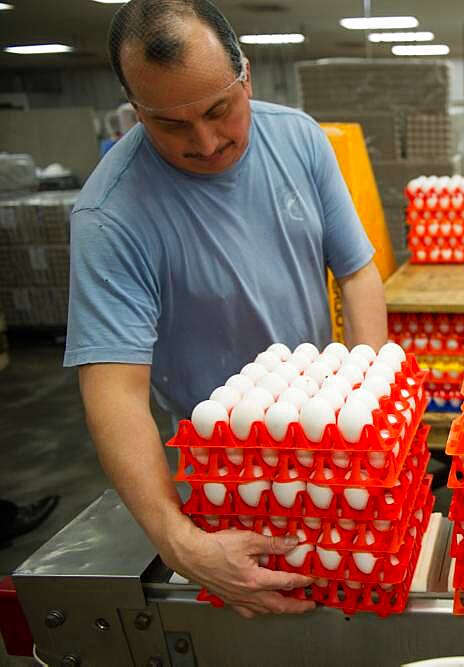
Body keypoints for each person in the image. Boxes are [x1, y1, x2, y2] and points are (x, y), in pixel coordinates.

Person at [64, 0, 386, 618]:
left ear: (247, 76)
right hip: (227, 473)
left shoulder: (298, 140)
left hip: (328, 447)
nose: (206, 142)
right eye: (171, 125)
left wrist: (360, 402)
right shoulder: (111, 214)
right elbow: (114, 390)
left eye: (219, 110)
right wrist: (181, 542)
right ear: (136, 111)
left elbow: (357, 271)